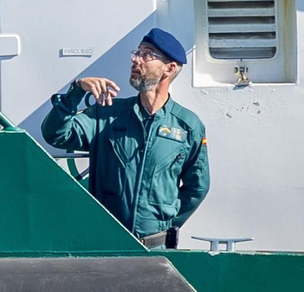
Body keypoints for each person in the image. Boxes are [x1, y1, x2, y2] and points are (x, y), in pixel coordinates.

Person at [40, 28, 210, 248]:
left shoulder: (188, 125)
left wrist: (166, 223)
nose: (135, 59)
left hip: (155, 248)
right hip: (105, 244)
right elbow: (56, 135)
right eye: (137, 52)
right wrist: (76, 91)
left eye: (147, 54)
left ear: (169, 68)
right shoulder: (107, 114)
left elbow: (197, 187)